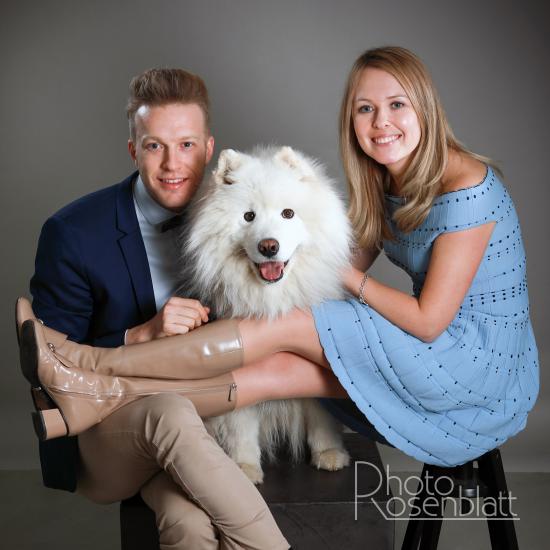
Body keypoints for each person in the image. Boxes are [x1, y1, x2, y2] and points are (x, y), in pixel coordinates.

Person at [19, 45, 539, 477]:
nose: (381, 123)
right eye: (365, 108)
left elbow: (424, 319)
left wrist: (347, 278)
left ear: (424, 107)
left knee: (285, 325)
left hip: (475, 364)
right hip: (429, 347)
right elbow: (329, 260)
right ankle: (94, 396)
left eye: (397, 105)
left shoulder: (467, 188)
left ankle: (92, 371)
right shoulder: (388, 181)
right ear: (351, 118)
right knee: (272, 368)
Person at [18, 68, 291, 550]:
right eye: (154, 146)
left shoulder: (243, 220)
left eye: (186, 145)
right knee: (167, 413)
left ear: (209, 150)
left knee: (189, 525)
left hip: (207, 419)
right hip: (109, 432)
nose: (172, 164)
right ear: (133, 150)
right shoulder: (73, 233)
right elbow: (51, 365)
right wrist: (140, 334)